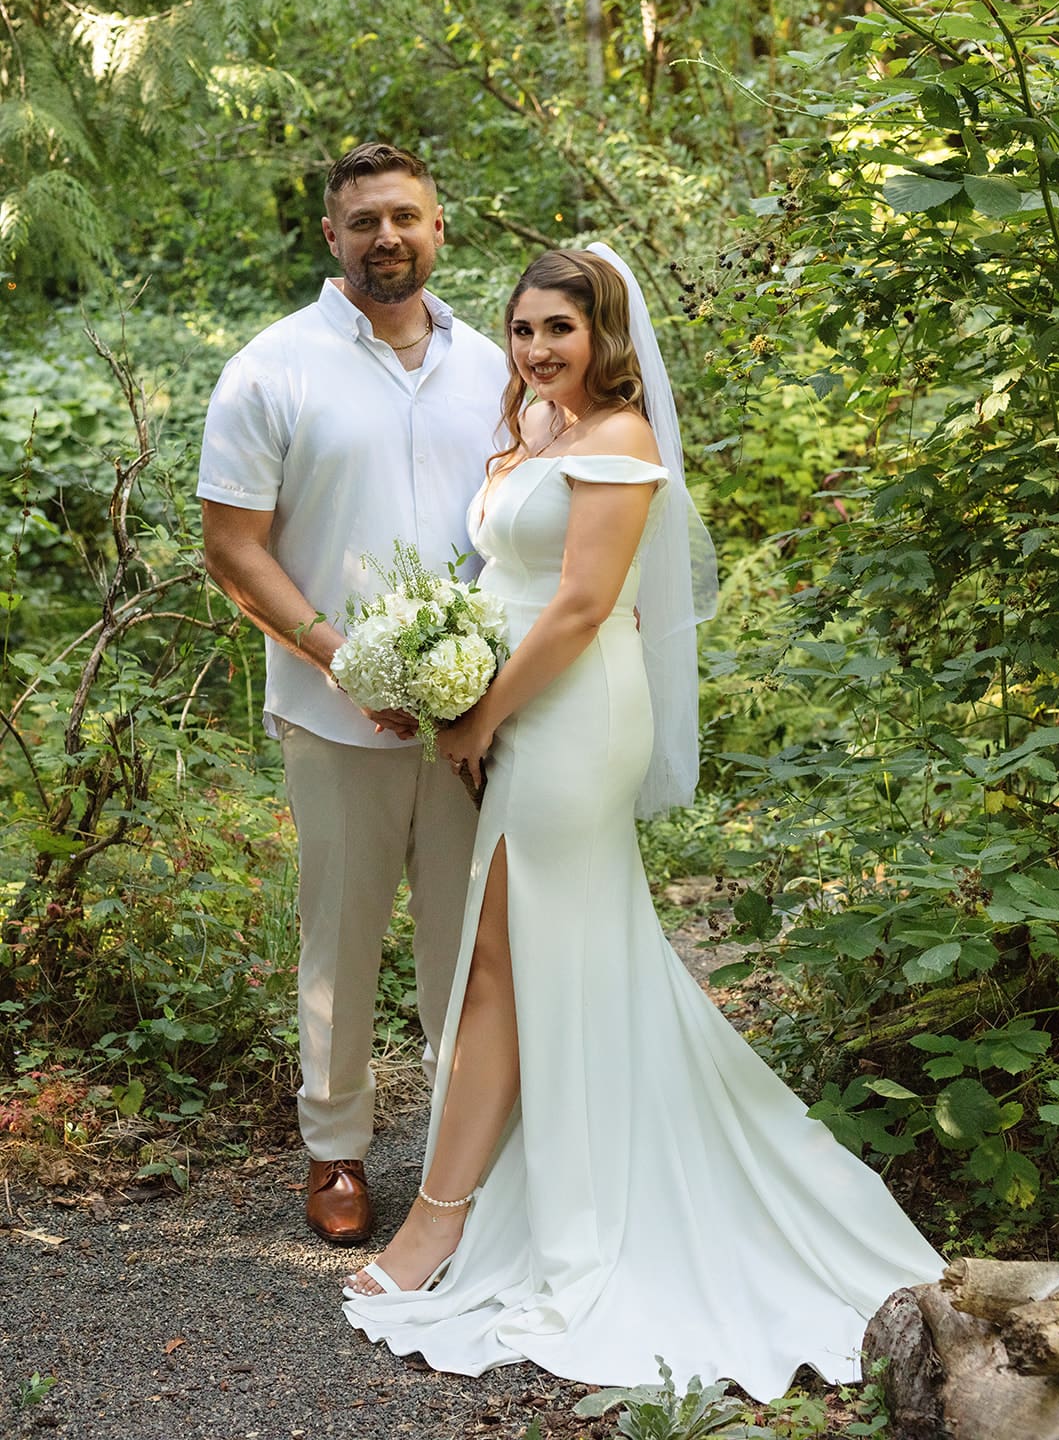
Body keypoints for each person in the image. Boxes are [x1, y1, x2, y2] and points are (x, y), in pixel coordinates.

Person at [339, 246, 942, 1399]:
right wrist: (433, 675)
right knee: (523, 964)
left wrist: (480, 715)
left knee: (506, 965)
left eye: (557, 330)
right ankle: (463, 1210)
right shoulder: (535, 427)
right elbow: (502, 580)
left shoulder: (616, 438)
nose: (535, 350)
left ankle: (437, 1223)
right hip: (509, 702)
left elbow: (576, 605)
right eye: (521, 329)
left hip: (571, 716)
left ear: (603, 334)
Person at [197, 142, 505, 1246]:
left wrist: (485, 679)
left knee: (468, 947)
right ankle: (336, 1151)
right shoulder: (271, 368)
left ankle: (464, 1165)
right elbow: (232, 547)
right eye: (364, 220)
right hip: (332, 715)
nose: (387, 236)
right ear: (331, 235)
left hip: (478, 717)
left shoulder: (496, 365)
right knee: (340, 938)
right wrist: (343, 660)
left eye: (405, 216)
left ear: (439, 226)